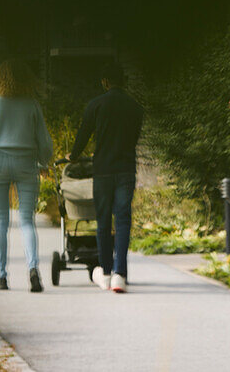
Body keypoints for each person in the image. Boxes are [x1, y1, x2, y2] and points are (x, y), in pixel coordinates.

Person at [0, 59, 53, 293]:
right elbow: (44, 140)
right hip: (27, 163)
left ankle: (1, 276)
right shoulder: (31, 104)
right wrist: (43, 162)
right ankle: (33, 270)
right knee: (27, 220)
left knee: (1, 221)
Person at [69, 61, 143, 293]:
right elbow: (134, 137)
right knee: (122, 220)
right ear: (124, 81)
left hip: (102, 170)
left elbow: (83, 134)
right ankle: (120, 275)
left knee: (103, 222)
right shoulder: (135, 107)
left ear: (105, 82)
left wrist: (73, 156)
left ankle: (106, 271)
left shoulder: (96, 105)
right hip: (125, 169)